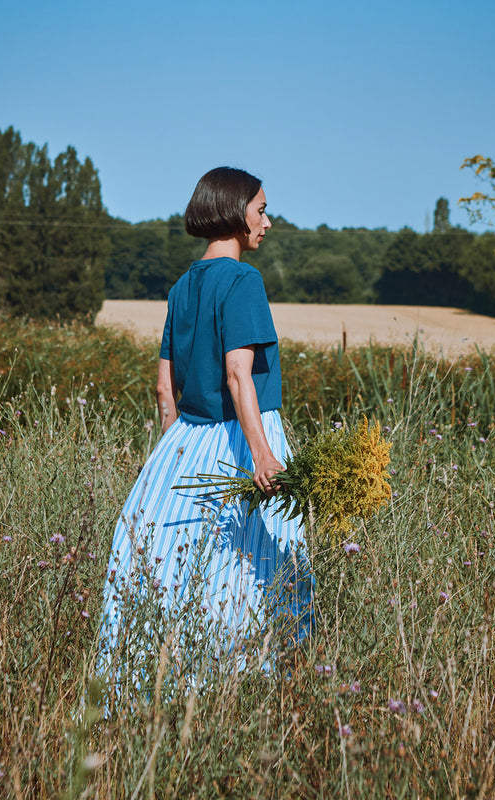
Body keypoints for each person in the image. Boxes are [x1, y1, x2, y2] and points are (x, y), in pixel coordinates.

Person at [97, 167, 313, 686]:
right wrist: (262, 455)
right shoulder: (243, 280)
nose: (267, 221)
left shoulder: (182, 286)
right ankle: (246, 680)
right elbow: (240, 374)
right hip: (239, 440)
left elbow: (163, 390)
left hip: (184, 444)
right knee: (256, 564)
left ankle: (162, 675)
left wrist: (169, 452)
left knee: (176, 565)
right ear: (237, 214)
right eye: (261, 210)